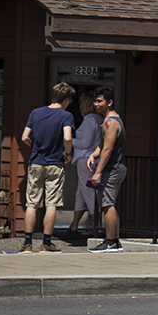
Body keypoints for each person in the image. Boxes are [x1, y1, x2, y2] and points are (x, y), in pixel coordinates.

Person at [19, 82, 75, 253]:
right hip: (54, 163)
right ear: (66, 99)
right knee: (51, 203)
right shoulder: (66, 116)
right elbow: (67, 138)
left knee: (32, 203)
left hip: (36, 161)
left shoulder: (36, 113)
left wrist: (34, 145)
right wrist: (67, 153)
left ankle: (27, 243)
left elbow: (24, 137)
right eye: (70, 100)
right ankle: (46, 242)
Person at [87, 86, 127, 253]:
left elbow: (108, 149)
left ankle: (110, 242)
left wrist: (98, 172)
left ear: (109, 102)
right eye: (95, 101)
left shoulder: (110, 123)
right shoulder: (111, 120)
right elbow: (103, 146)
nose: (96, 104)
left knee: (107, 204)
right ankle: (114, 241)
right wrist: (93, 154)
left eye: (100, 101)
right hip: (115, 168)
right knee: (110, 204)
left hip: (112, 169)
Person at [69, 93, 102, 235]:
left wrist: (69, 140)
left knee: (88, 191)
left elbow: (86, 143)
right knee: (81, 191)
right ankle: (74, 225)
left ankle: (97, 226)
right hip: (92, 159)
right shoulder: (99, 118)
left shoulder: (89, 119)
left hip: (86, 159)